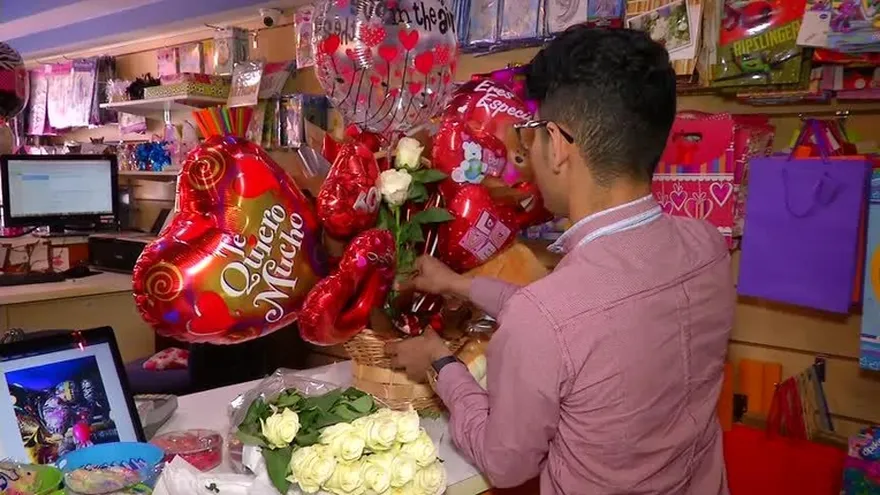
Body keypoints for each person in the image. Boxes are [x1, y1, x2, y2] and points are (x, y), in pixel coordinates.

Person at [387, 26, 733, 494]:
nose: (527, 152)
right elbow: (578, 321)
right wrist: (458, 284)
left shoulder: (550, 317)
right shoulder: (707, 247)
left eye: (531, 135)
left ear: (559, 143)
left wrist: (441, 363)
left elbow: (503, 461)